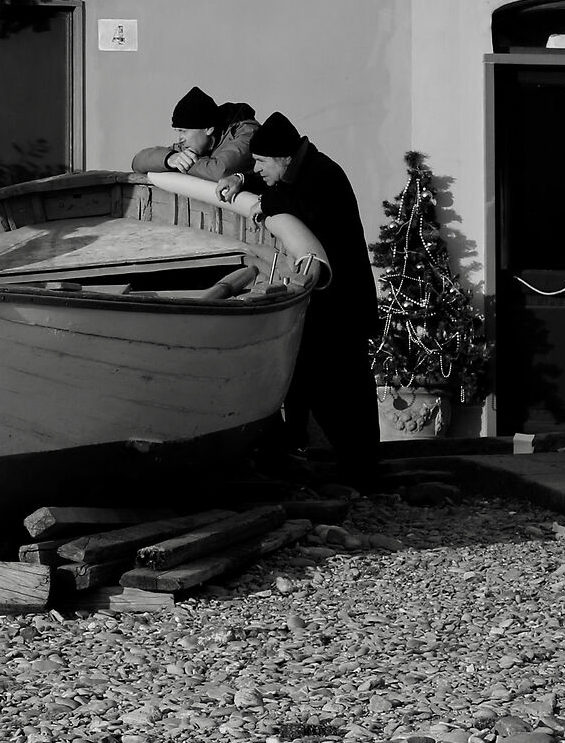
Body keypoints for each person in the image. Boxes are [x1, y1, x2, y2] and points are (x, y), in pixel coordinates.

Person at [222, 113, 381, 483]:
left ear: (283, 158)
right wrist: (250, 183)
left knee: (340, 392)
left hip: (340, 308)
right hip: (333, 307)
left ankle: (357, 471)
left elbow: (305, 210)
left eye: (261, 162)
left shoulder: (323, 177)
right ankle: (344, 466)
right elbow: (283, 193)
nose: (256, 168)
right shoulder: (310, 170)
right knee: (321, 385)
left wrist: (269, 202)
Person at [128, 86, 260, 183]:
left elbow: (220, 171)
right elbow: (138, 162)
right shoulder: (192, 145)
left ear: (208, 129)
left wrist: (184, 164)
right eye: (178, 131)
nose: (180, 138)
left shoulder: (246, 134)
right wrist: (170, 159)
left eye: (184, 131)